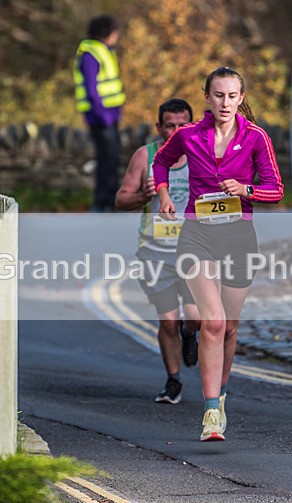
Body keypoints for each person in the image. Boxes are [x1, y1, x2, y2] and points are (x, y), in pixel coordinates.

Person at [153, 67, 284, 441]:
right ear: (207, 97)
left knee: (228, 327)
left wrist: (246, 189)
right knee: (211, 321)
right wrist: (164, 195)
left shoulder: (256, 137)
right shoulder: (189, 135)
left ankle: (221, 396)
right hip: (197, 235)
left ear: (241, 98)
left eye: (232, 96)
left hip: (239, 237)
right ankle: (211, 413)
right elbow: (161, 162)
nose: (225, 103)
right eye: (218, 95)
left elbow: (276, 190)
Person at [115, 98, 201, 405]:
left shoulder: (204, 153)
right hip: (154, 251)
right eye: (169, 125)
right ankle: (173, 380)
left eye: (183, 125)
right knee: (167, 321)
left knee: (193, 317)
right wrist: (142, 195)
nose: (176, 131)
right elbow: (120, 199)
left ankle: (190, 334)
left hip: (194, 249)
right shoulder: (145, 156)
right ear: (159, 127)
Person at [74, 15, 126, 212]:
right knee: (107, 158)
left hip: (109, 115)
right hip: (101, 116)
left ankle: (109, 199)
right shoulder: (91, 54)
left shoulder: (102, 52)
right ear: (108, 33)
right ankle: (104, 200)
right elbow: (92, 89)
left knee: (111, 157)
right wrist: (103, 115)